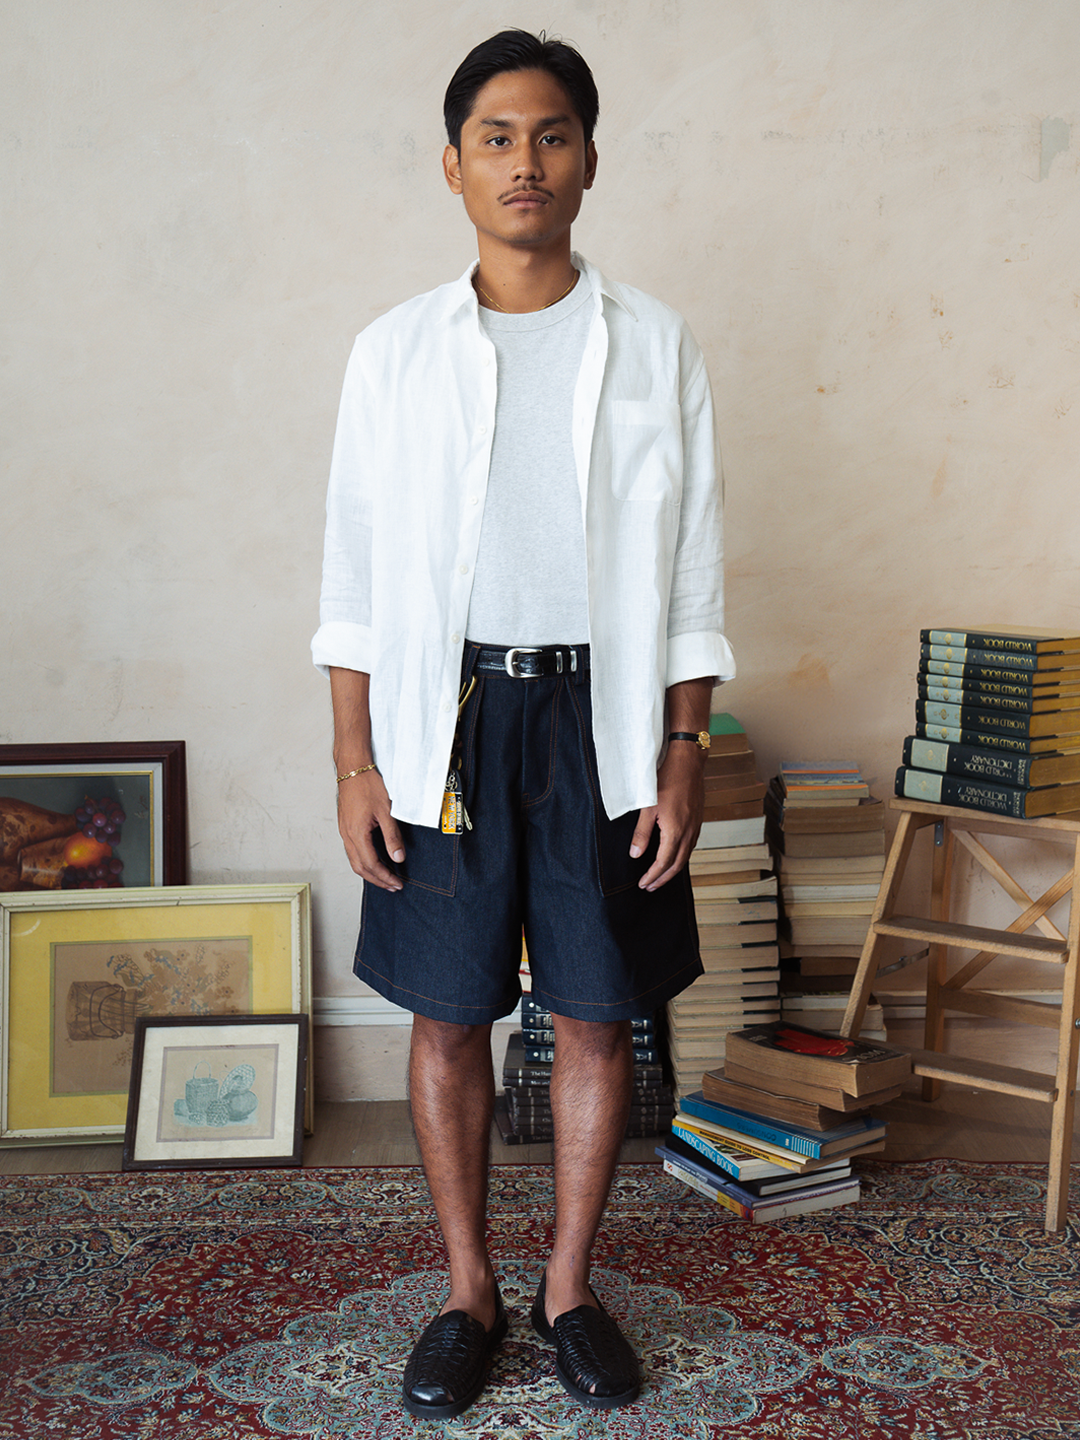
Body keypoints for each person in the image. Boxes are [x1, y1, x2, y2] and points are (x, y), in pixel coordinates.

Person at [312, 28, 735, 1418]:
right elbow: (356, 576)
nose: (525, 162)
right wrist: (357, 758)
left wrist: (683, 750)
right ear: (453, 164)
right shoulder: (394, 354)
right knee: (447, 1014)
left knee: (599, 1016)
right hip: (449, 720)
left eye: (551, 134)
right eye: (496, 136)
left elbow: (690, 574)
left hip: (603, 722)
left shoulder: (654, 342)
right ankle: (466, 1291)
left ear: (590, 160)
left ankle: (565, 1289)